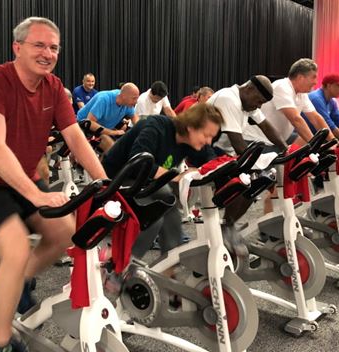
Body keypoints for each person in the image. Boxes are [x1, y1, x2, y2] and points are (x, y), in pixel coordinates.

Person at [0, 17, 106, 352]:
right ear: (17, 48)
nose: (47, 53)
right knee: (16, 248)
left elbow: (75, 137)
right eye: (39, 45)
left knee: (64, 230)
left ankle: (15, 282)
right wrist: (36, 194)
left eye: (53, 47)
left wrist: (103, 180)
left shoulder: (53, 86)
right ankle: (0, 343)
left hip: (17, 174)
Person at [102, 103, 222, 257]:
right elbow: (138, 163)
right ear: (191, 126)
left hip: (144, 182)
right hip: (117, 178)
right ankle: (118, 266)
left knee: (169, 205)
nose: (208, 141)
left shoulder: (190, 140)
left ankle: (169, 266)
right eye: (206, 135)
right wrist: (178, 176)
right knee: (152, 218)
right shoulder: (156, 126)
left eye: (211, 137)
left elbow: (209, 157)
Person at [208, 75, 287, 224]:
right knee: (245, 180)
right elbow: (238, 144)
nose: (259, 106)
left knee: (256, 182)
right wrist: (258, 170)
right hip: (204, 150)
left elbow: (266, 126)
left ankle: (228, 225)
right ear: (249, 89)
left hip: (223, 152)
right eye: (259, 102)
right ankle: (227, 226)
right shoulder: (229, 99)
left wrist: (286, 148)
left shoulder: (247, 101)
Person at [242, 58, 333, 147]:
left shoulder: (301, 94)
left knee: (305, 142)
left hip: (279, 138)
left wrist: (334, 142)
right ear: (301, 78)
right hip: (258, 140)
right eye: (313, 77)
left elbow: (315, 118)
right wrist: (315, 146)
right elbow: (296, 120)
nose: (315, 82)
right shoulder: (282, 87)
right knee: (309, 146)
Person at [76, 83, 140, 152]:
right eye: (134, 98)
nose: (136, 102)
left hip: (102, 127)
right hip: (85, 126)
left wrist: (140, 130)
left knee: (125, 146)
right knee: (112, 148)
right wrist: (113, 132)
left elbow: (134, 117)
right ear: (124, 96)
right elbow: (90, 123)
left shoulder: (127, 103)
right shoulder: (104, 99)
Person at [302, 73, 339, 140]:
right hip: (303, 139)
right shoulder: (316, 98)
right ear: (329, 85)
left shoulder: (331, 101)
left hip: (315, 138)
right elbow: (329, 126)